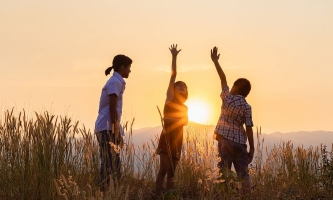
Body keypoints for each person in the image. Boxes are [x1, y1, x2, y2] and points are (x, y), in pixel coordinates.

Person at [211, 46, 255, 194]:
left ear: (235, 87)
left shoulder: (228, 98)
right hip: (241, 144)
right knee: (244, 175)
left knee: (223, 173)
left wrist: (216, 61)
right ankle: (246, 196)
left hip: (225, 141)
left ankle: (222, 196)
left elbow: (223, 78)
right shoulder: (247, 107)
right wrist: (252, 148)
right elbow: (249, 128)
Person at [94, 54, 132, 191]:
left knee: (111, 163)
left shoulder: (115, 81)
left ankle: (106, 192)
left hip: (107, 126)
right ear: (122, 67)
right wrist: (116, 131)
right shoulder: (115, 82)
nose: (130, 71)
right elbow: (112, 108)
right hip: (107, 127)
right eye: (128, 68)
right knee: (110, 164)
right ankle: (104, 191)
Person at [155, 44, 188, 196]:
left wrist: (169, 119)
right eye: (179, 86)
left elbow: (184, 122)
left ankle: (169, 196)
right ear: (173, 89)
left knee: (172, 173)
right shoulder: (170, 99)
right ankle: (156, 194)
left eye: (184, 87)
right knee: (163, 169)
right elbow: (173, 75)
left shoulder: (185, 107)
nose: (182, 88)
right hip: (167, 137)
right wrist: (174, 57)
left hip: (177, 139)